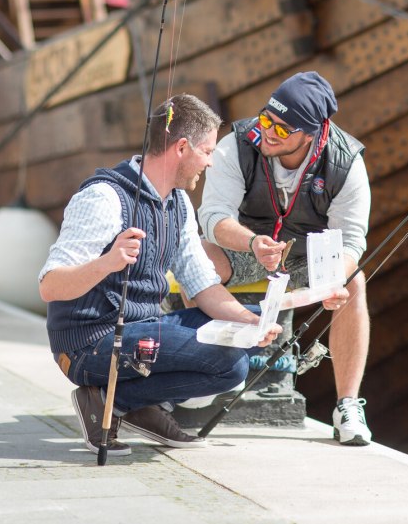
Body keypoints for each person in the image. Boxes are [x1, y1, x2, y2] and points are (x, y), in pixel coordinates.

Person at [38, 94, 281, 457]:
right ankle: (112, 400)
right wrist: (108, 262)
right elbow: (50, 286)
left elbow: (203, 285)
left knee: (246, 331)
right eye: (207, 151)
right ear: (181, 148)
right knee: (229, 364)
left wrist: (251, 323)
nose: (210, 162)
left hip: (142, 332)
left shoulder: (179, 203)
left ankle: (128, 404)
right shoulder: (104, 198)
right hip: (88, 345)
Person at [198, 71, 374, 446]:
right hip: (247, 249)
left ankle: (347, 407)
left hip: (307, 258)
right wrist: (252, 243)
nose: (269, 132)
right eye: (266, 119)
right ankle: (197, 377)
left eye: (282, 128)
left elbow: (351, 242)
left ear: (311, 133)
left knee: (355, 280)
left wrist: (335, 281)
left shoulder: (346, 163)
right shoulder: (237, 144)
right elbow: (212, 218)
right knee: (199, 259)